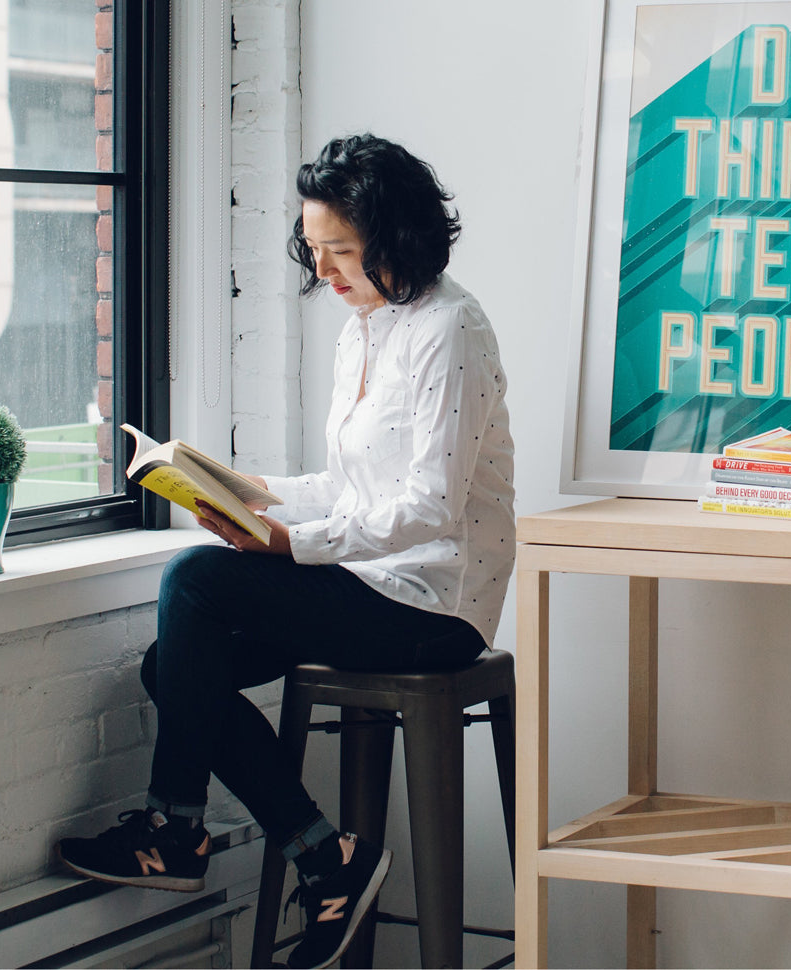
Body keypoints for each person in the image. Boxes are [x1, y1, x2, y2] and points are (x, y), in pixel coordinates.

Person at [54, 133, 516, 970]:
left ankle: (175, 828)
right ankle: (322, 856)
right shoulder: (363, 330)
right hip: (365, 581)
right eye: (316, 251)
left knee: (197, 578)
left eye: (343, 250)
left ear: (397, 237)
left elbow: (429, 506)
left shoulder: (452, 329)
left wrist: (287, 544)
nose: (328, 272)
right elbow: (355, 486)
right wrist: (251, 490)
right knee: (173, 669)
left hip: (433, 604)